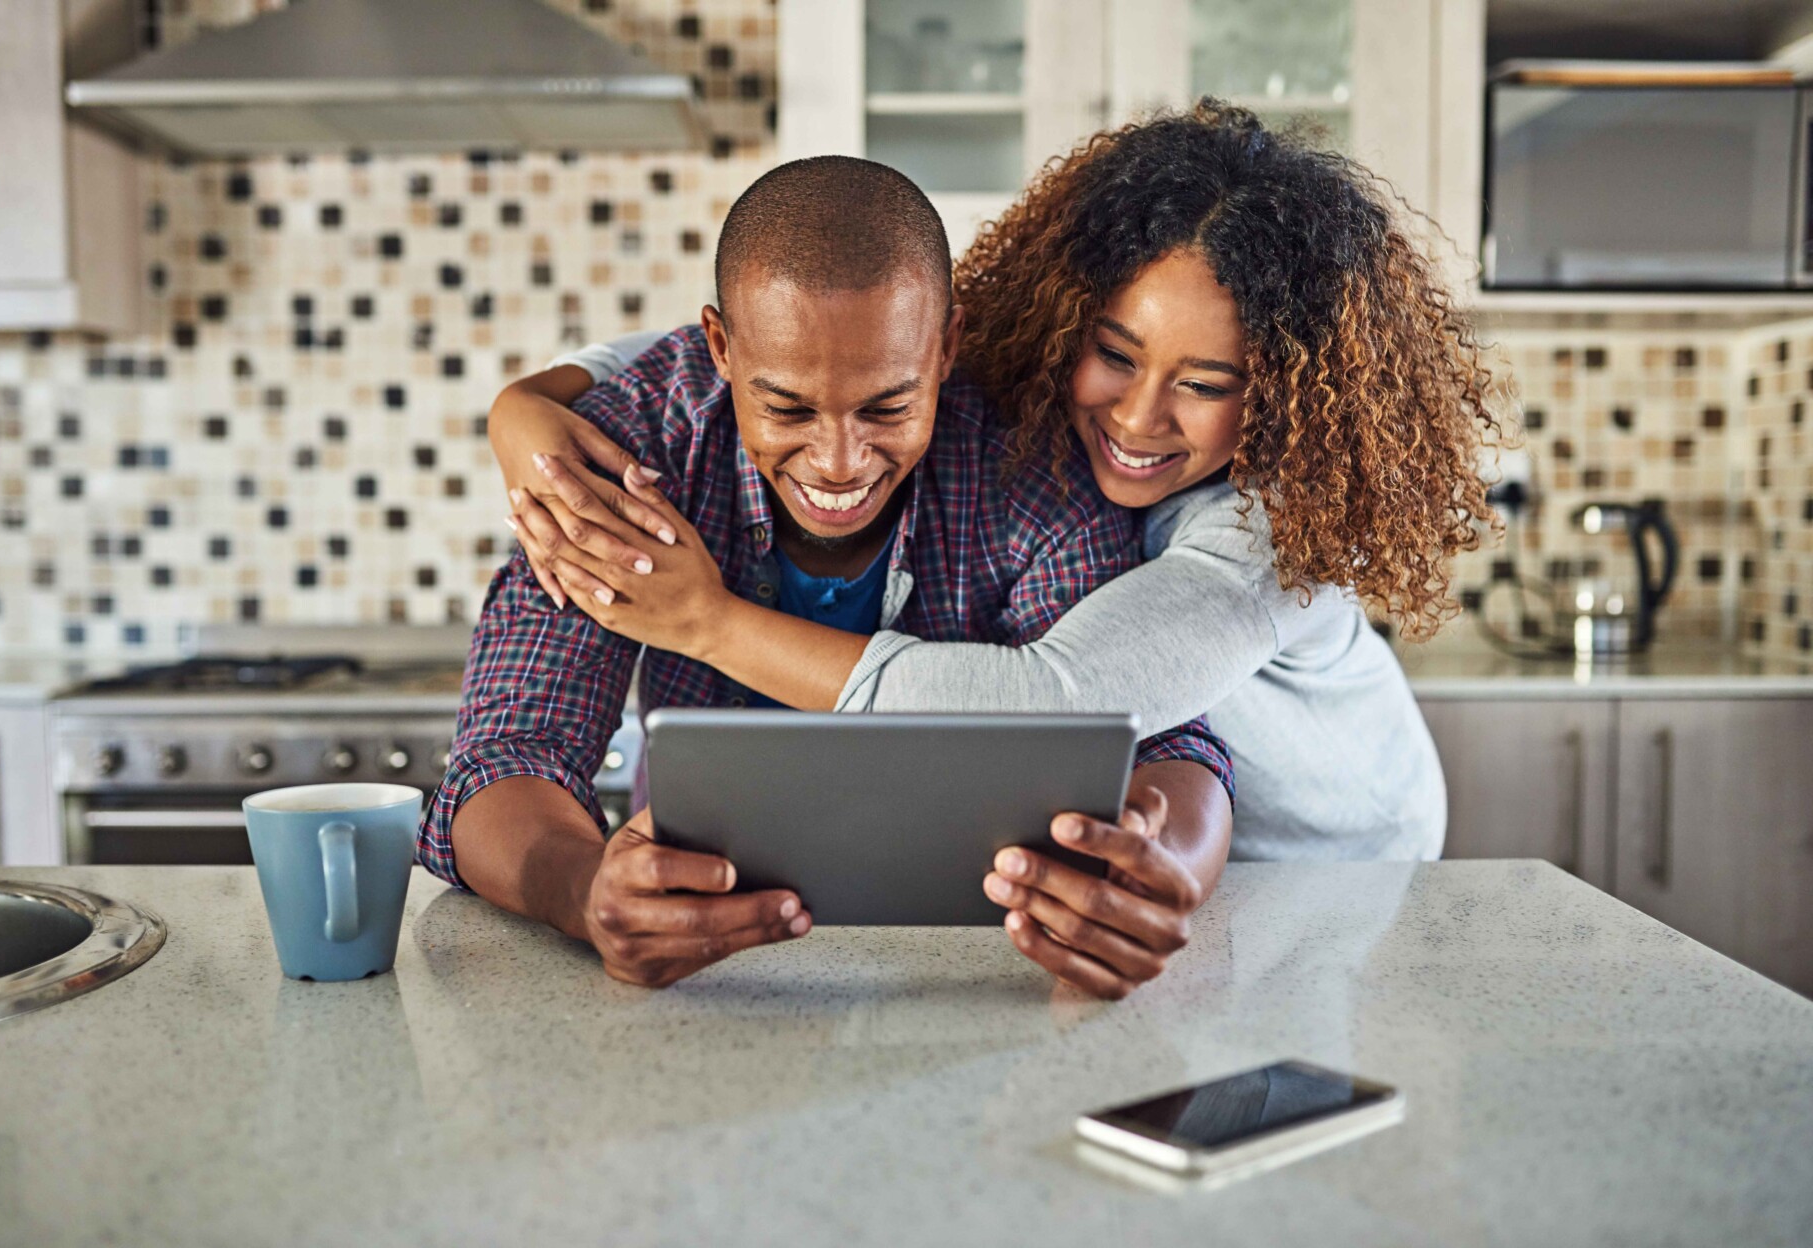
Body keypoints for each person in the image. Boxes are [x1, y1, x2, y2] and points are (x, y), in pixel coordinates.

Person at [492, 102, 1506, 865]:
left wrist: (704, 622)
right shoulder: (1006, 417)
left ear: (1286, 387)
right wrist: (535, 402)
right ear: (1066, 318)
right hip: (1166, 865)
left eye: (1205, 384)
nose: (1137, 415)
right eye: (1115, 353)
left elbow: (1053, 701)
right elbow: (791, 355)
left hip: (1341, 868)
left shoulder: (1267, 538)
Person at [423, 155, 1237, 999]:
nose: (839, 462)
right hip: (709, 976)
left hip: (973, 974)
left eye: (887, 406)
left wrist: (1156, 864)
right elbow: (509, 751)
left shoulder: (1029, 458)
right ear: (721, 349)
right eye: (789, 409)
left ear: (948, 345)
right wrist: (586, 893)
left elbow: (1166, 739)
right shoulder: (629, 450)